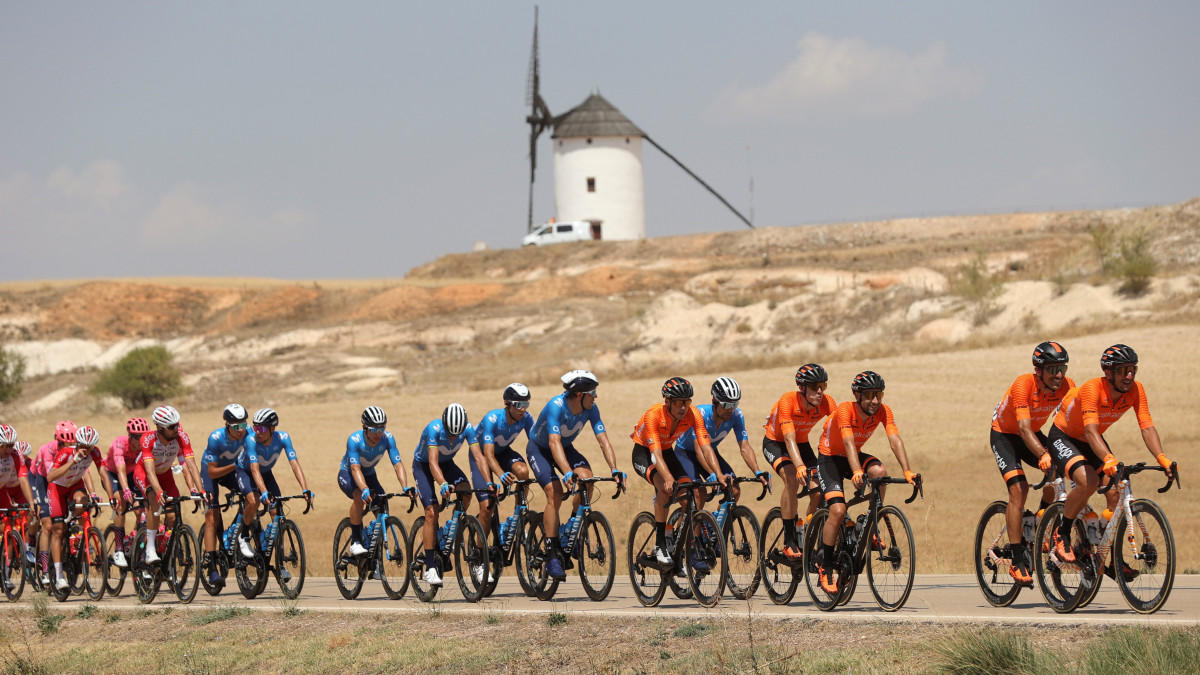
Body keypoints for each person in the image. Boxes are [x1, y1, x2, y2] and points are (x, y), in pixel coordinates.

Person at [1047, 344, 1174, 574]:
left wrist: (1162, 458)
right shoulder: (1091, 389)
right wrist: (1108, 458)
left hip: (1089, 438)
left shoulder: (1136, 390)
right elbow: (1093, 431)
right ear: (1108, 372)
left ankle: (1110, 557)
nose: (1129, 376)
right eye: (1123, 370)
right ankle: (1062, 532)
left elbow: (1146, 426)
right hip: (1064, 436)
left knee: (1115, 493)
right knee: (1089, 482)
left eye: (1132, 370)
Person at [814, 371, 918, 594]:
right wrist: (857, 471)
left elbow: (894, 439)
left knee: (880, 471)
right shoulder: (845, 410)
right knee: (838, 510)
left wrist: (907, 471)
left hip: (852, 457)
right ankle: (826, 566)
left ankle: (868, 520)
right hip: (830, 458)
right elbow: (849, 443)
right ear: (857, 395)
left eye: (878, 394)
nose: (875, 401)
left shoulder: (883, 411)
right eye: (870, 395)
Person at [527, 370, 626, 582]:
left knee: (588, 480)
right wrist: (566, 472)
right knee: (554, 492)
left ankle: (571, 530)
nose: (596, 396)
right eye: (593, 392)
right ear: (580, 394)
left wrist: (614, 469)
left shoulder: (591, 408)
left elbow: (603, 440)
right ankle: (552, 553)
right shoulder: (556, 407)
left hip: (565, 447)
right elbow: (553, 443)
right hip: (540, 449)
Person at [989, 341, 1075, 583]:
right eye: (1052, 369)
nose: (1059, 375)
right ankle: (1017, 560)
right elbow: (1024, 429)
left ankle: (1039, 519)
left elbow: (1075, 421)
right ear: (1039, 370)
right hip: (1006, 435)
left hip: (1032, 434)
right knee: (1019, 489)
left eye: (1062, 368)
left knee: (1060, 470)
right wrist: (1043, 455)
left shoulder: (1067, 386)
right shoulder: (1023, 384)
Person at [630, 377, 726, 567]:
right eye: (679, 403)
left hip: (667, 451)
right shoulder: (653, 415)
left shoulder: (693, 414)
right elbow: (655, 454)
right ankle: (659, 545)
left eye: (687, 402)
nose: (684, 407)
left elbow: (707, 448)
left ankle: (677, 543)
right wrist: (666, 479)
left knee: (691, 494)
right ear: (667, 402)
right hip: (645, 453)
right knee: (665, 488)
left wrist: (719, 474)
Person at [762, 364, 835, 559]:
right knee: (792, 481)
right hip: (776, 443)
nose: (819, 392)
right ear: (802, 388)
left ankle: (809, 531)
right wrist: (800, 466)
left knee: (819, 490)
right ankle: (789, 540)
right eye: (814, 387)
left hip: (801, 444)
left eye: (823, 386)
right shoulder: (788, 401)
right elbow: (788, 438)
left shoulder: (827, 402)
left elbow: (839, 429)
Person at [240, 407, 313, 582]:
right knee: (255, 501)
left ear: (272, 429)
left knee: (277, 516)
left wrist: (305, 489)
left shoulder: (283, 438)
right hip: (246, 472)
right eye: (255, 427)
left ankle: (279, 566)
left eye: (262, 429)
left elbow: (294, 463)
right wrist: (264, 493)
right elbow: (254, 470)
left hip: (266, 474)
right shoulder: (251, 440)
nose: (257, 432)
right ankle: (243, 536)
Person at [412, 403, 478, 587]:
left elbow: (479, 457)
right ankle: (430, 566)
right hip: (424, 466)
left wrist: (489, 481)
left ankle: (452, 529)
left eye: (456, 435)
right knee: (432, 511)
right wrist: (442, 484)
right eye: (450, 433)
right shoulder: (433, 429)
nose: (452, 438)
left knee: (466, 492)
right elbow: (433, 462)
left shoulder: (468, 428)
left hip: (447, 463)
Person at [336, 406, 413, 563]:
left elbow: (397, 464)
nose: (378, 434)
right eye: (374, 429)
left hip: (369, 475)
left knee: (382, 510)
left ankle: (374, 559)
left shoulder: (388, 438)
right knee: (359, 497)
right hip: (349, 474)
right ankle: (356, 541)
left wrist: (405, 486)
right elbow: (355, 468)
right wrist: (364, 489)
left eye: (381, 429)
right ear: (364, 427)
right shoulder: (355, 440)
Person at [675, 377, 772, 501]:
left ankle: (718, 520)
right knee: (699, 494)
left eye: (734, 404)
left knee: (734, 489)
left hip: (710, 453)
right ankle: (692, 520)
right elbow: (700, 451)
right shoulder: (700, 414)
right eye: (726, 404)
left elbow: (744, 447)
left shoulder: (737, 415)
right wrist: (713, 474)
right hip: (686, 454)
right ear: (714, 400)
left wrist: (757, 472)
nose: (731, 409)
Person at [200, 404, 260, 588]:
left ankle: (234, 536)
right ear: (227, 425)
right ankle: (211, 566)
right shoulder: (216, 438)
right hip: (212, 471)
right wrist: (235, 465)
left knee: (250, 496)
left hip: (233, 470)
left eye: (243, 425)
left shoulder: (249, 433)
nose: (240, 430)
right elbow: (212, 472)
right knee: (212, 516)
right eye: (236, 427)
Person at [46, 426, 112, 590]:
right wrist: (73, 461)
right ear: (76, 443)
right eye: (82, 446)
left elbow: (103, 473)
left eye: (89, 447)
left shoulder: (94, 453)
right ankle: (59, 575)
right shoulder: (66, 453)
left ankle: (75, 529)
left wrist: (110, 496)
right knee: (58, 530)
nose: (86, 450)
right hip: (57, 488)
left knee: (83, 502)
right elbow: (50, 476)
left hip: (74, 485)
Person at [136, 406, 203, 564]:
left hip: (166, 475)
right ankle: (150, 549)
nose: (177, 429)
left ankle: (163, 545)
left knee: (172, 516)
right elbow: (150, 472)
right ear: (159, 427)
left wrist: (200, 491)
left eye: (177, 425)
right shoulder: (147, 439)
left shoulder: (182, 437)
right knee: (154, 502)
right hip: (145, 474)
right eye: (172, 427)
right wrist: (158, 492)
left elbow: (190, 465)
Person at [470, 384, 534, 549]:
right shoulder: (492, 419)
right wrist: (501, 475)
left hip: (503, 452)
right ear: (507, 403)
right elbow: (488, 456)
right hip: (482, 457)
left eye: (526, 404)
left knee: (523, 472)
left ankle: (518, 520)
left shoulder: (526, 418)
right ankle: (479, 555)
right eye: (519, 405)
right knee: (487, 508)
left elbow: (535, 444)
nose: (523, 409)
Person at [29, 420, 76, 585]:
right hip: (42, 480)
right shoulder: (48, 449)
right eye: (66, 443)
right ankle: (44, 571)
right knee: (48, 525)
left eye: (73, 443)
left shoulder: (75, 450)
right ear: (58, 439)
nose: (69, 446)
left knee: (65, 523)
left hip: (63, 481)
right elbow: (51, 476)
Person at [102, 418, 153, 569]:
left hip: (132, 476)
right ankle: (118, 549)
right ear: (130, 436)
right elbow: (120, 470)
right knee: (120, 503)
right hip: (112, 474)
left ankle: (134, 542)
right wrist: (125, 490)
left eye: (143, 436)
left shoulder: (145, 446)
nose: (140, 440)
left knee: (141, 510)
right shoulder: (120, 444)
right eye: (137, 436)